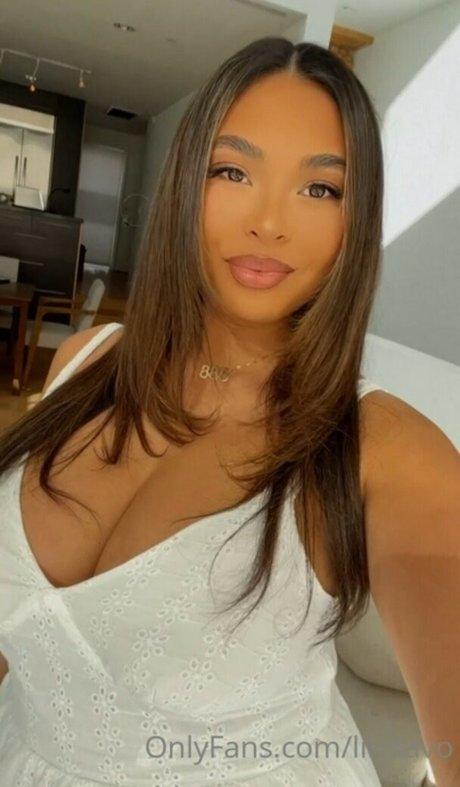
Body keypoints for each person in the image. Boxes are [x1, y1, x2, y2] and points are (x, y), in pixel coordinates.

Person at [0, 36, 459, 787]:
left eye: (321, 189)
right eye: (233, 171)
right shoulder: (83, 360)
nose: (269, 222)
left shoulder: (387, 450)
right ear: (187, 180)